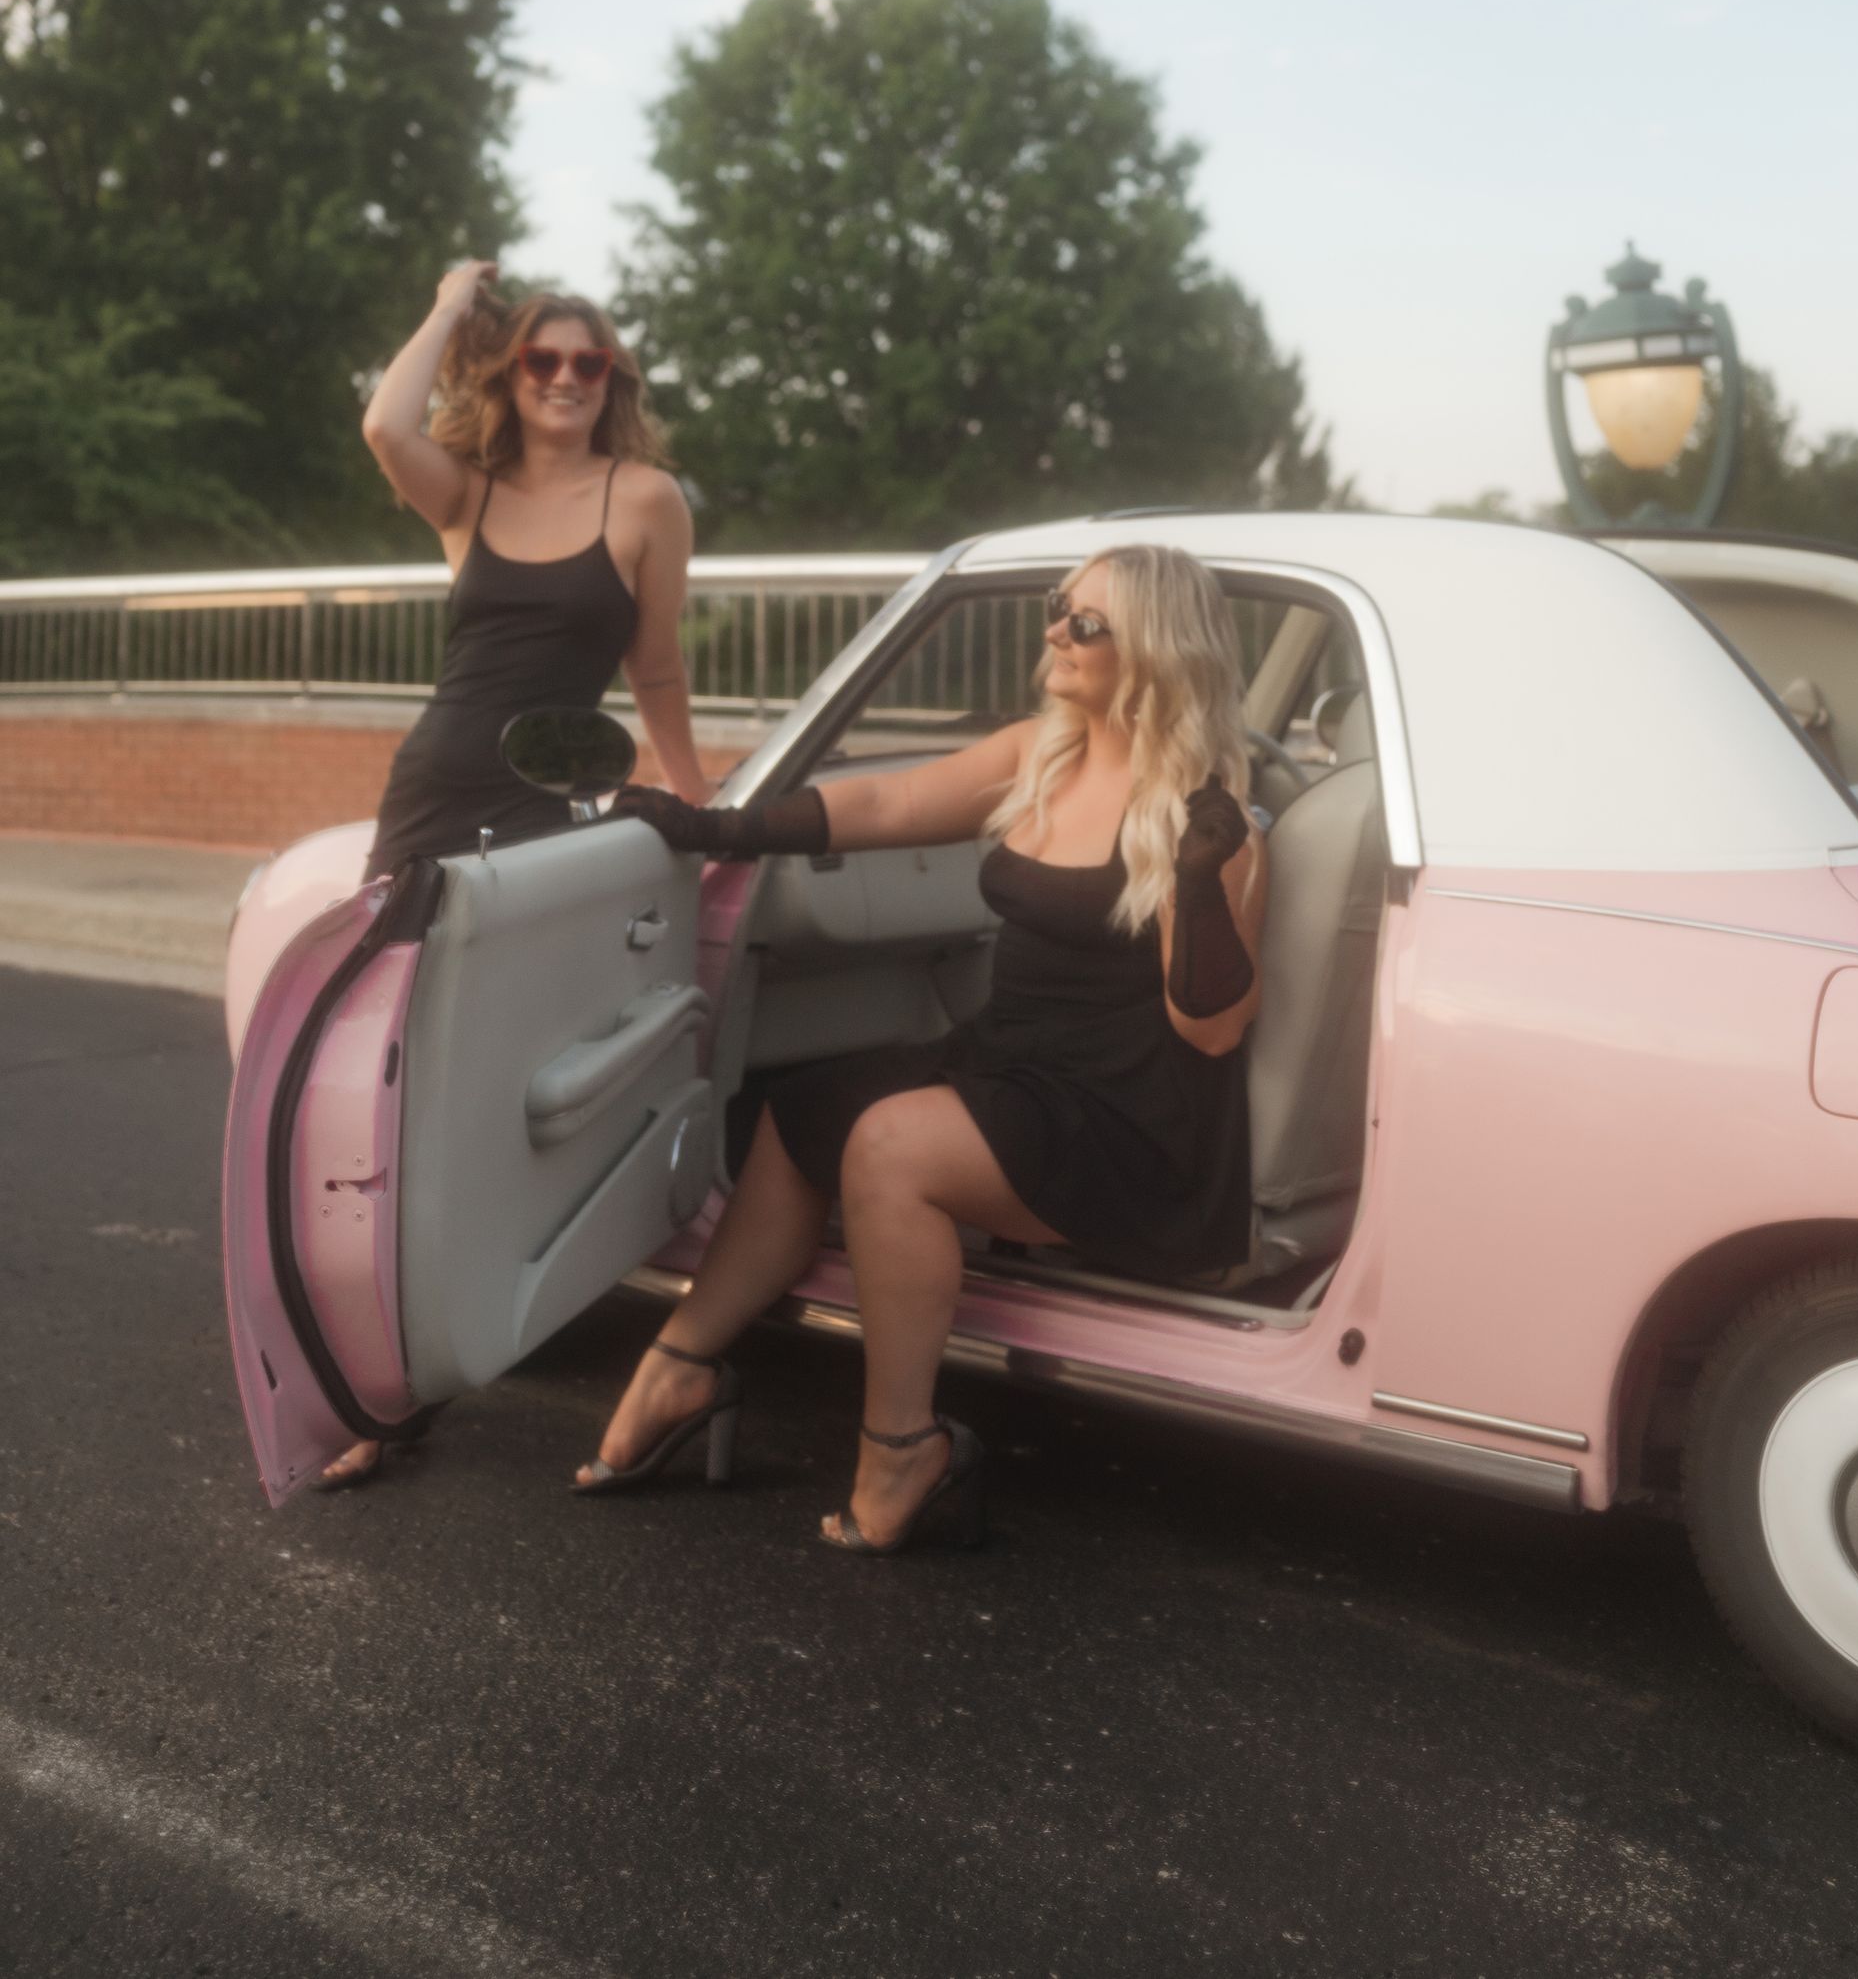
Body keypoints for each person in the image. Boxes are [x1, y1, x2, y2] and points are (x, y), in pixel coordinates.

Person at [580, 544, 1266, 1555]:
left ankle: (905, 1446)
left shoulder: (1205, 815)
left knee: (890, 1145)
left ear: (1158, 648)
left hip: (1126, 1120)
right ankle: (682, 1362)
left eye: (1087, 623)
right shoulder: (1046, 750)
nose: (1055, 633)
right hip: (1012, 1064)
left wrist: (1201, 881)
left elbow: (1211, 1029)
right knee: (804, 1111)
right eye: (1057, 609)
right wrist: (712, 827)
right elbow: (891, 805)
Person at [324, 258, 710, 1488]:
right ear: (511, 374)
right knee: (391, 1078)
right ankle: (376, 1385)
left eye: (585, 363)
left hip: (551, 816)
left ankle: (486, 1314)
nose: (561, 379)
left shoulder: (646, 499)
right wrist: (446, 302)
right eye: (540, 360)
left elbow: (655, 670)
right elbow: (385, 421)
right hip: (436, 791)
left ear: (612, 382)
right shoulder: (467, 495)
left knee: (508, 1085)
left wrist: (697, 797)